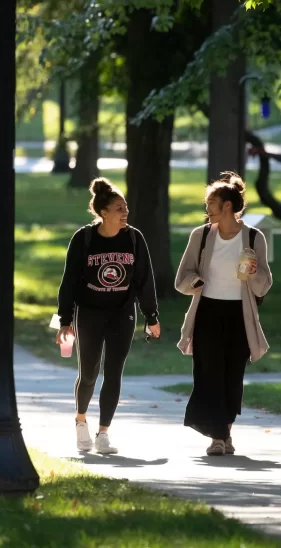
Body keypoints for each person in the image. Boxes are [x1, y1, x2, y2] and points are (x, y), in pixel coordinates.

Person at [56, 177, 161, 454]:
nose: (125, 212)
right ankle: (81, 422)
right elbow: (68, 282)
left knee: (114, 373)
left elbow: (144, 281)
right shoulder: (84, 239)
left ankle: (103, 434)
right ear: (103, 213)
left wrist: (152, 317)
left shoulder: (134, 239)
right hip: (89, 313)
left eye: (125, 207)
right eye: (118, 208)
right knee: (88, 373)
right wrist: (64, 321)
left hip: (121, 313)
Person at [174, 172, 273, 456]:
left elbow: (264, 284)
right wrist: (196, 283)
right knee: (209, 375)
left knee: (232, 377)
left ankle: (225, 431)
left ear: (227, 206)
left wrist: (253, 274)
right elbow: (182, 276)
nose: (207, 209)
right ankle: (217, 438)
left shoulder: (254, 237)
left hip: (239, 316)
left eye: (211, 203)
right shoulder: (201, 235)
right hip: (207, 313)